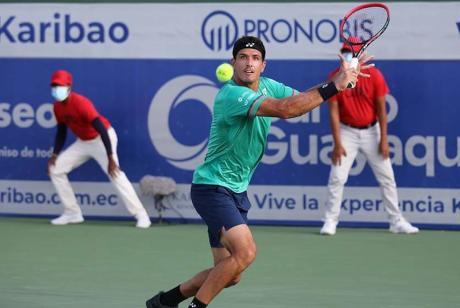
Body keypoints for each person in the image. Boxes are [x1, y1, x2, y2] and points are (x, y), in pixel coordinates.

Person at [146, 36, 368, 308]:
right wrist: (334, 86)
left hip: (236, 190)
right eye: (243, 57)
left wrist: (339, 81)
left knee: (230, 274)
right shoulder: (231, 94)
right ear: (233, 62)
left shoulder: (268, 85)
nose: (249, 64)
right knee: (246, 252)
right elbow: (286, 110)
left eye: (255, 59)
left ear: (263, 65)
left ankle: (165, 301)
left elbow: (299, 99)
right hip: (212, 188)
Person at [320, 38, 419, 235]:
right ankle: (330, 221)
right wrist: (337, 143)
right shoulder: (335, 77)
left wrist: (383, 139)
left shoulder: (374, 75)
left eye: (352, 52)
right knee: (337, 177)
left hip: (372, 131)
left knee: (387, 177)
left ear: (359, 54)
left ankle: (396, 221)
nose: (348, 55)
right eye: (345, 51)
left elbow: (382, 110)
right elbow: (333, 112)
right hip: (346, 131)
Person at [47, 70, 151, 229]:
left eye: (60, 86)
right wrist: (54, 155)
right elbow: (61, 131)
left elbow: (101, 129)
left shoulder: (81, 103)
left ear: (69, 87)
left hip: (102, 139)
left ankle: (141, 215)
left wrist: (110, 157)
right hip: (83, 142)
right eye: (54, 86)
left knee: (115, 173)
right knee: (55, 170)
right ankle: (72, 213)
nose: (56, 89)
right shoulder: (57, 108)